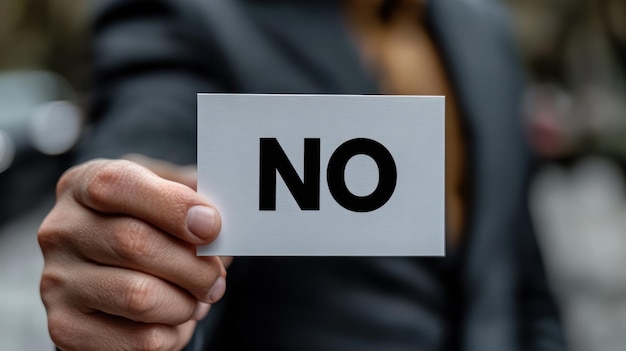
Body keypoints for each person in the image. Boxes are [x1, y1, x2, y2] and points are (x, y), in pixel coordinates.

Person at [38, 0, 566, 350]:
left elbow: (515, 270)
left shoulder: (484, 26)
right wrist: (130, 235)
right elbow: (148, 138)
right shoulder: (186, 13)